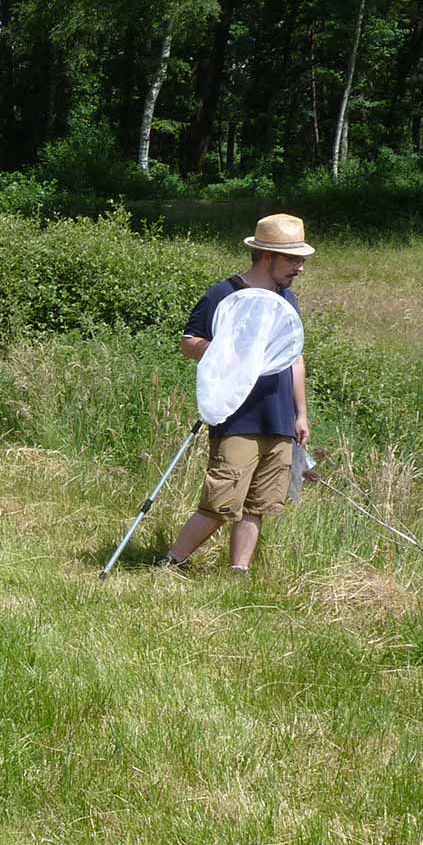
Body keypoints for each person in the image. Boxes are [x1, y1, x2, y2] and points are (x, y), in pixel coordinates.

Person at [159, 213, 312, 575]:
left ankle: (237, 573)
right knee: (221, 501)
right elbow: (189, 343)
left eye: (302, 260)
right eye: (293, 259)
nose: (299, 268)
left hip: (279, 419)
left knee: (260, 503)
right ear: (267, 256)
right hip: (237, 416)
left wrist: (301, 414)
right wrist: (229, 354)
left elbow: (295, 358)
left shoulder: (287, 300)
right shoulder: (224, 293)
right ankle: (171, 563)